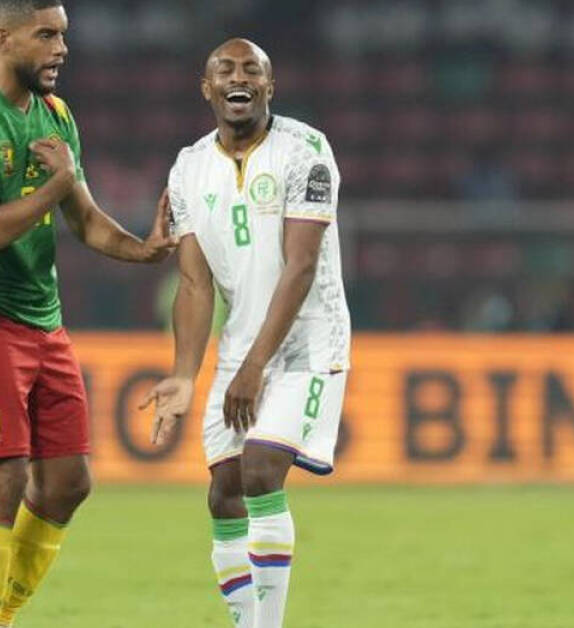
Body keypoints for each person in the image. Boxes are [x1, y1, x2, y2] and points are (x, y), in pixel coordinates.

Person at [0, 2, 176, 626]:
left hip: (42, 317)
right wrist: (56, 185)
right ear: (4, 36)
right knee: (2, 480)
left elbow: (85, 220)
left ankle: (0, 615)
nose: (61, 48)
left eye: (63, 35)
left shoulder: (56, 115)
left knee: (68, 482)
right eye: (46, 35)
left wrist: (144, 249)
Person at [142, 39, 352, 628]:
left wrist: (256, 368)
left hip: (309, 344)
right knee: (225, 494)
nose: (240, 78)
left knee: (260, 471)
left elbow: (301, 266)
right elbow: (194, 284)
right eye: (226, 70)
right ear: (206, 88)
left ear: (269, 86)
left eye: (252, 70)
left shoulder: (307, 151)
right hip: (240, 348)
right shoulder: (189, 168)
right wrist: (185, 375)